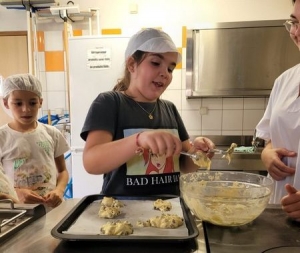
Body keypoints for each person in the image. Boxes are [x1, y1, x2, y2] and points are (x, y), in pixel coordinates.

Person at [81, 28, 215, 196]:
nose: (165, 73)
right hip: (122, 213)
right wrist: (139, 140)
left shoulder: (169, 109)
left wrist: (199, 153)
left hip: (169, 213)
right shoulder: (110, 103)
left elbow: (186, 165)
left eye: (170, 69)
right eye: (155, 63)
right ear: (132, 65)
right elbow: (91, 162)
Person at [255, 0, 300, 220]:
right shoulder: (284, 81)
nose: (295, 32)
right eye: (294, 22)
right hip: (280, 215)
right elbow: (271, 139)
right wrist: (267, 154)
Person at [0, 73, 69, 209]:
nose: (26, 109)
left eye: (32, 102)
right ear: (5, 103)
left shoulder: (52, 133)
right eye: (18, 103)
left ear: (40, 102)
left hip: (51, 209)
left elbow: (62, 172)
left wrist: (59, 190)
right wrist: (17, 193)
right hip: (17, 212)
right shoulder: (2, 137)